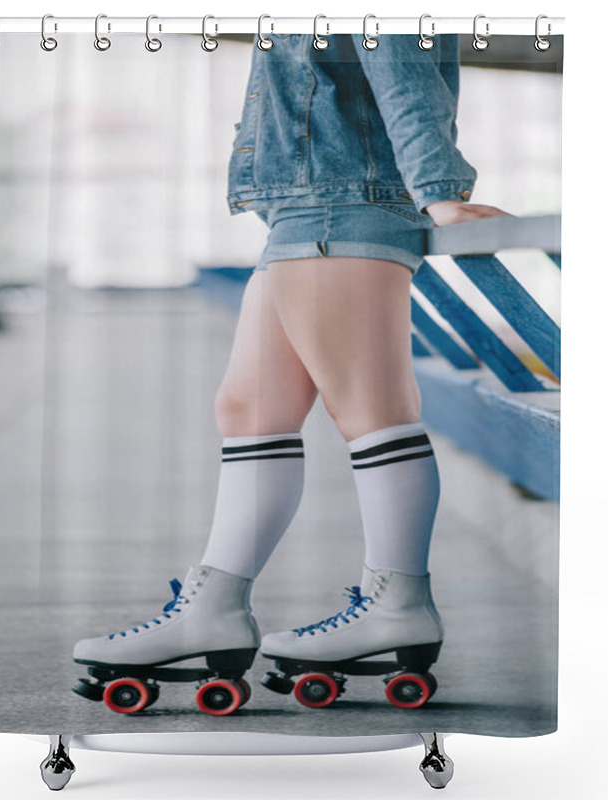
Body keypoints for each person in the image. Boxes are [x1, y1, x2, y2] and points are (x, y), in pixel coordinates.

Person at [73, 33, 505, 706]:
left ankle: (397, 602)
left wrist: (440, 190)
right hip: (303, 210)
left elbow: (402, 68)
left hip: (343, 203)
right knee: (248, 409)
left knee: (372, 410)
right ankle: (212, 606)